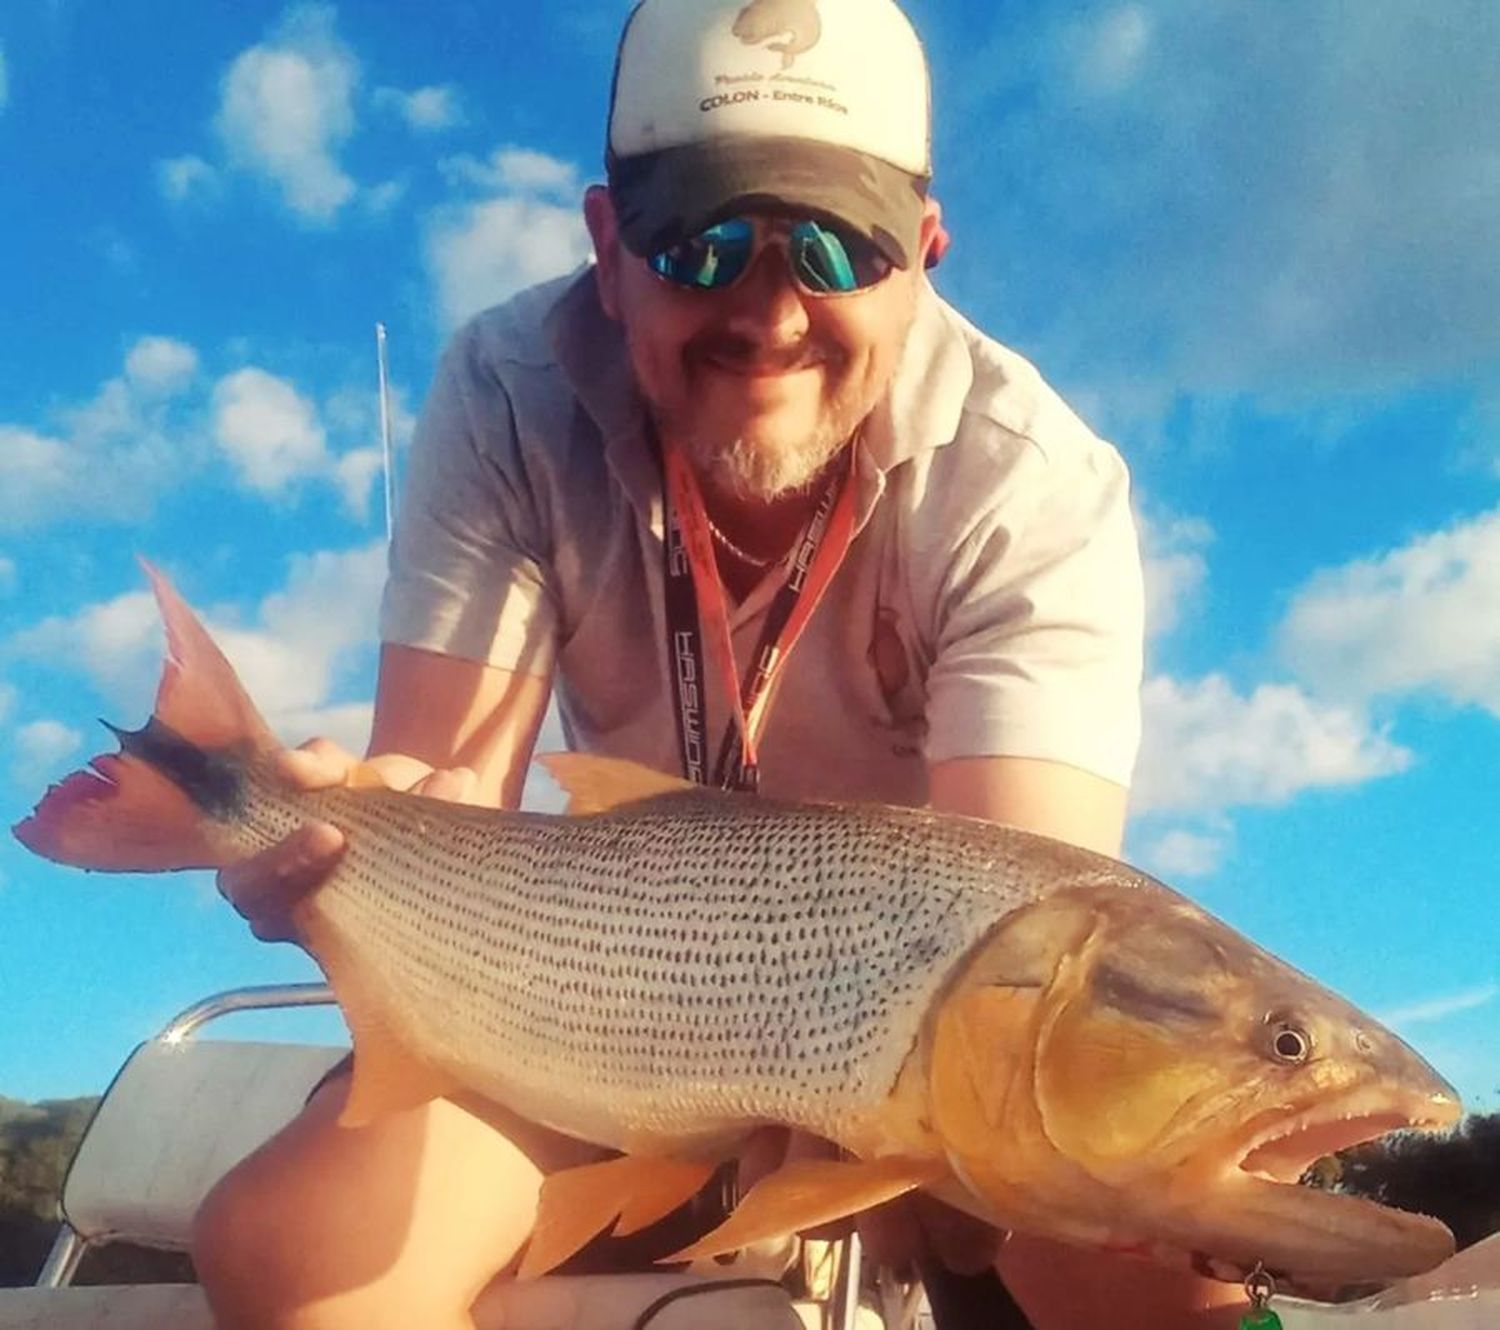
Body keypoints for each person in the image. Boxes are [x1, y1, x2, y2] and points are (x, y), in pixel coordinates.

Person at [191, 0, 1249, 1326]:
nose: (771, 313)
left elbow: (1023, 938)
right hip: (595, 1011)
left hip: (907, 1050)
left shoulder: (1029, 483)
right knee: (292, 1252)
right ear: (606, 245)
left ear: (923, 254)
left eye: (836, 243)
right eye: (699, 243)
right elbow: (450, 792)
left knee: (1160, 1239)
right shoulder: (508, 390)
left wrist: (865, 1110)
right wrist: (347, 850)